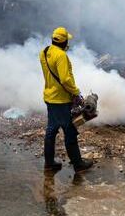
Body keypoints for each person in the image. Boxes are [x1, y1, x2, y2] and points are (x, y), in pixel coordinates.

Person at [40, 26, 94, 173]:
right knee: (70, 131)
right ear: (63, 42)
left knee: (51, 130)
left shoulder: (44, 52)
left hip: (50, 97)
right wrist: (76, 93)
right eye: (67, 41)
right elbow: (65, 79)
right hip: (61, 100)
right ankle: (78, 165)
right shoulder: (61, 56)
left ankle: (49, 163)